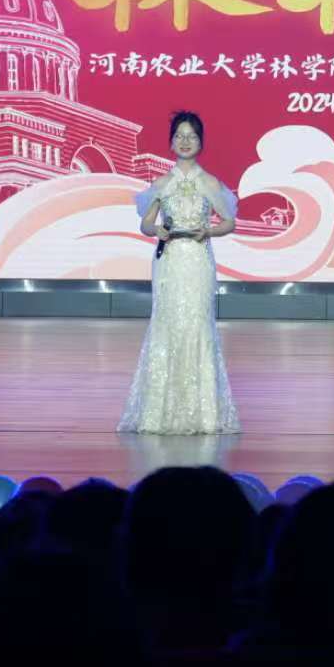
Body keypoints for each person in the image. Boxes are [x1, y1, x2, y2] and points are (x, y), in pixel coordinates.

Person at [121, 111, 240, 434]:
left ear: (201, 142)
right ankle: (157, 414)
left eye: (192, 136)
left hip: (198, 260)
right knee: (168, 325)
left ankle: (205, 415)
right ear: (171, 142)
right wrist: (156, 230)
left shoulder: (209, 183)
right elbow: (145, 223)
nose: (185, 141)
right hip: (170, 261)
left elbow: (229, 221)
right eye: (180, 136)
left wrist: (209, 232)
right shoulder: (162, 184)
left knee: (197, 325)